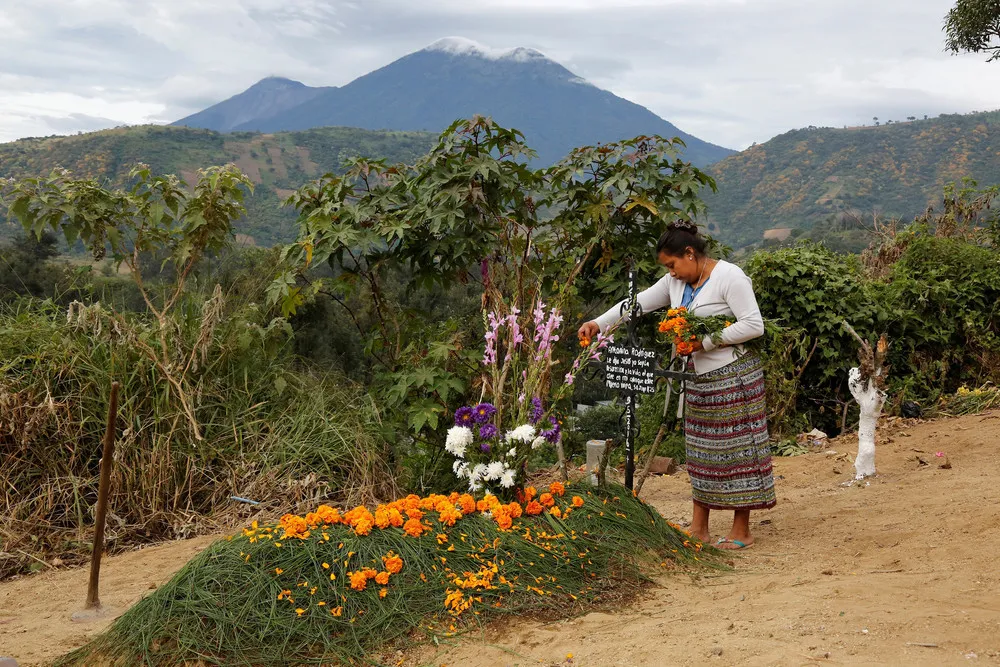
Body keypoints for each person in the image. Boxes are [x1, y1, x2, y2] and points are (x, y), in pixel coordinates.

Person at [577, 220, 775, 550]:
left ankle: (741, 530)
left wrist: (705, 342)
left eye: (673, 264)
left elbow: (754, 325)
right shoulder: (675, 283)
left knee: (738, 452)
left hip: (734, 377)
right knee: (700, 452)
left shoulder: (730, 277)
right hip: (697, 379)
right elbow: (637, 303)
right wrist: (599, 323)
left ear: (690, 254)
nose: (671, 272)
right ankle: (699, 528)